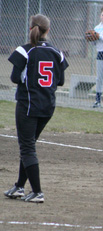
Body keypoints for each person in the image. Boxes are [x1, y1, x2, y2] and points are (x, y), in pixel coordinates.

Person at [4, 14, 69, 203]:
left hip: (28, 105)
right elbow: (61, 81)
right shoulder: (57, 52)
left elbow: (15, 78)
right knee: (28, 145)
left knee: (27, 148)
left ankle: (38, 191)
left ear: (30, 28)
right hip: (48, 106)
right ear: (48, 30)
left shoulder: (24, 51)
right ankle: (19, 186)